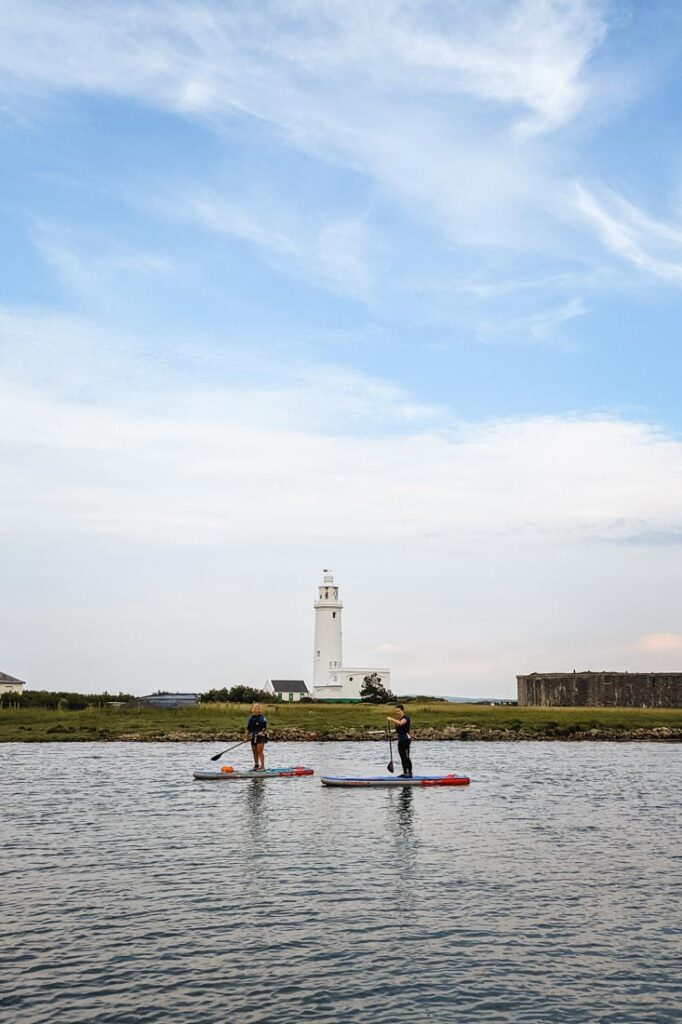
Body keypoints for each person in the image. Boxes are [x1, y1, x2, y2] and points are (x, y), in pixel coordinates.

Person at [387, 704, 412, 778]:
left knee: (406, 757)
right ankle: (405, 772)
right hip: (400, 740)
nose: (397, 713)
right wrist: (391, 733)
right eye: (396, 711)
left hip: (406, 740)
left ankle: (409, 773)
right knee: (402, 757)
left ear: (402, 710)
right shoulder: (398, 719)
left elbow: (401, 723)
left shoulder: (406, 718)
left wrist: (391, 719)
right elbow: (398, 729)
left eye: (399, 711)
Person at [245, 702, 267, 770]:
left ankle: (262, 766)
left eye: (259, 709)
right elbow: (248, 728)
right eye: (256, 709)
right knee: (254, 751)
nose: (258, 710)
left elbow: (264, 728)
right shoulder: (251, 718)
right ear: (253, 710)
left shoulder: (262, 718)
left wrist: (261, 732)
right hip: (253, 736)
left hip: (261, 736)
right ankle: (256, 765)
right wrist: (246, 737)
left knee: (259, 751)